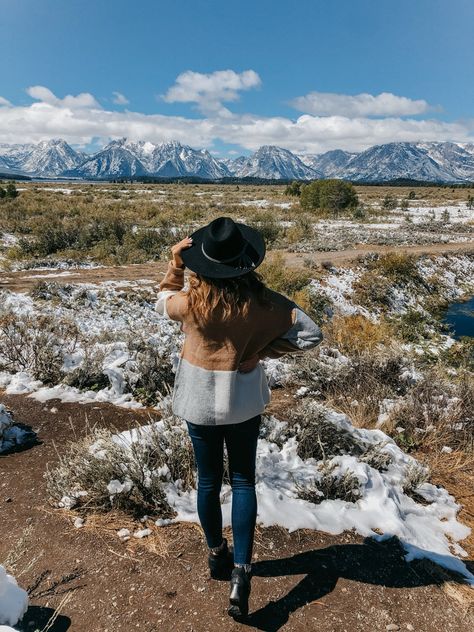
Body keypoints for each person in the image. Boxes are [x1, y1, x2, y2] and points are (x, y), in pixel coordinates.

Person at [155, 216, 322, 619]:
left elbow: (162, 300)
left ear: (206, 263)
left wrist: (176, 262)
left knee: (208, 481)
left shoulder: (193, 304)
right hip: (243, 404)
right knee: (244, 481)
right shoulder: (266, 304)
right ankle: (242, 573)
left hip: (197, 403)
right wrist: (260, 353)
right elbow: (311, 334)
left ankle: (217, 554)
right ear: (246, 261)